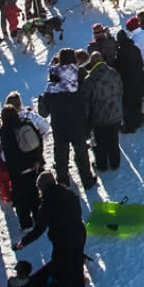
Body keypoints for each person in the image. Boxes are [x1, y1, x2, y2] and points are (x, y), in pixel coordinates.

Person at [14, 172, 87, 287]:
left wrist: (23, 242)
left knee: (62, 272)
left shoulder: (47, 204)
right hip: (79, 232)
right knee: (77, 259)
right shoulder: (69, 193)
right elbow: (78, 212)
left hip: (63, 239)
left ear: (43, 188)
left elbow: (39, 229)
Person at [40, 48, 97, 189]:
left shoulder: (52, 82)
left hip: (59, 125)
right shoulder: (80, 77)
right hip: (77, 122)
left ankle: (63, 180)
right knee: (81, 152)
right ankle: (87, 179)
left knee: (60, 153)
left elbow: (44, 113)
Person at [80, 51, 124, 171]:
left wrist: (86, 120)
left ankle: (102, 165)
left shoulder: (89, 80)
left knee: (100, 144)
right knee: (114, 140)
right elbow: (121, 89)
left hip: (99, 117)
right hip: (115, 113)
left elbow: (86, 102)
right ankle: (115, 163)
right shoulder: (113, 72)